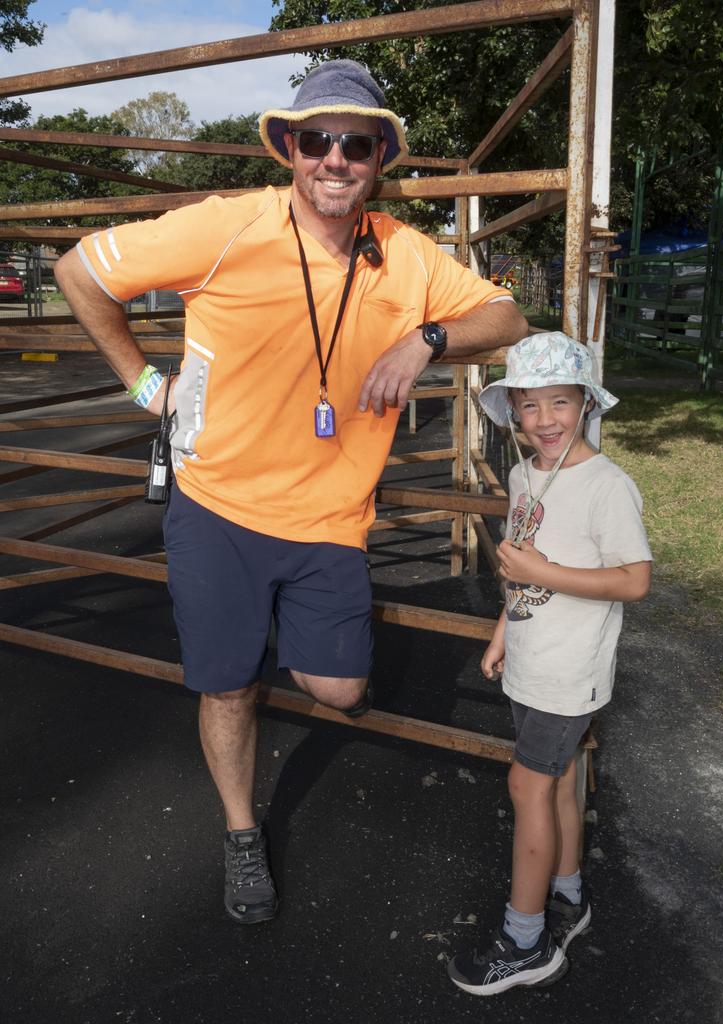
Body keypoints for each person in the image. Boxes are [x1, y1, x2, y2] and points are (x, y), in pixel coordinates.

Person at [54, 59, 528, 926]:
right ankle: (241, 831)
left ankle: (293, 651)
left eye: (356, 143)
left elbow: (508, 318)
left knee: (338, 690)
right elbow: (79, 271)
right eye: (317, 140)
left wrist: (428, 338)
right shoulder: (228, 226)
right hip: (217, 510)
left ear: (380, 156)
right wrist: (142, 389)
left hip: (329, 520)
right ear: (290, 149)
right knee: (230, 689)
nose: (335, 159)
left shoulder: (403, 252)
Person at [446, 332, 652, 995]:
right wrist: (503, 630)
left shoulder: (607, 487)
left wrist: (547, 572)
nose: (545, 421)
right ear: (514, 414)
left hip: (570, 672)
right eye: (529, 407)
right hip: (531, 661)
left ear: (585, 404)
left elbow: (634, 581)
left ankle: (526, 939)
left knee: (528, 786)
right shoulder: (523, 474)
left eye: (559, 403)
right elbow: (520, 567)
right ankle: (568, 894)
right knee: (558, 779)